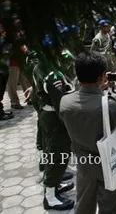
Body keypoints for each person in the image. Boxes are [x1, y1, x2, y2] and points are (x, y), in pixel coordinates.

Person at [60, 51, 116, 214]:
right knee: (110, 206)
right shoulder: (110, 104)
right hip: (109, 163)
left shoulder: (65, 101)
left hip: (84, 164)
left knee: (83, 204)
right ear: (103, 76)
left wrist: (96, 87)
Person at [31, 47, 75, 210]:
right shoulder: (54, 75)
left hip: (47, 114)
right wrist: (69, 125)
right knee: (58, 155)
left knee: (54, 153)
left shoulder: (39, 66)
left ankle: (54, 185)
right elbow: (60, 105)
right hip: (55, 118)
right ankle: (50, 196)